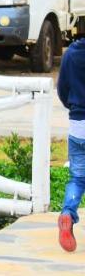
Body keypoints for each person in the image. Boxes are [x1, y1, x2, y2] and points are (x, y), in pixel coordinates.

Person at [58, 36, 85, 252]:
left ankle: (67, 213)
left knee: (77, 177)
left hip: (78, 124)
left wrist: (73, 106)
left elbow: (62, 89)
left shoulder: (71, 53)